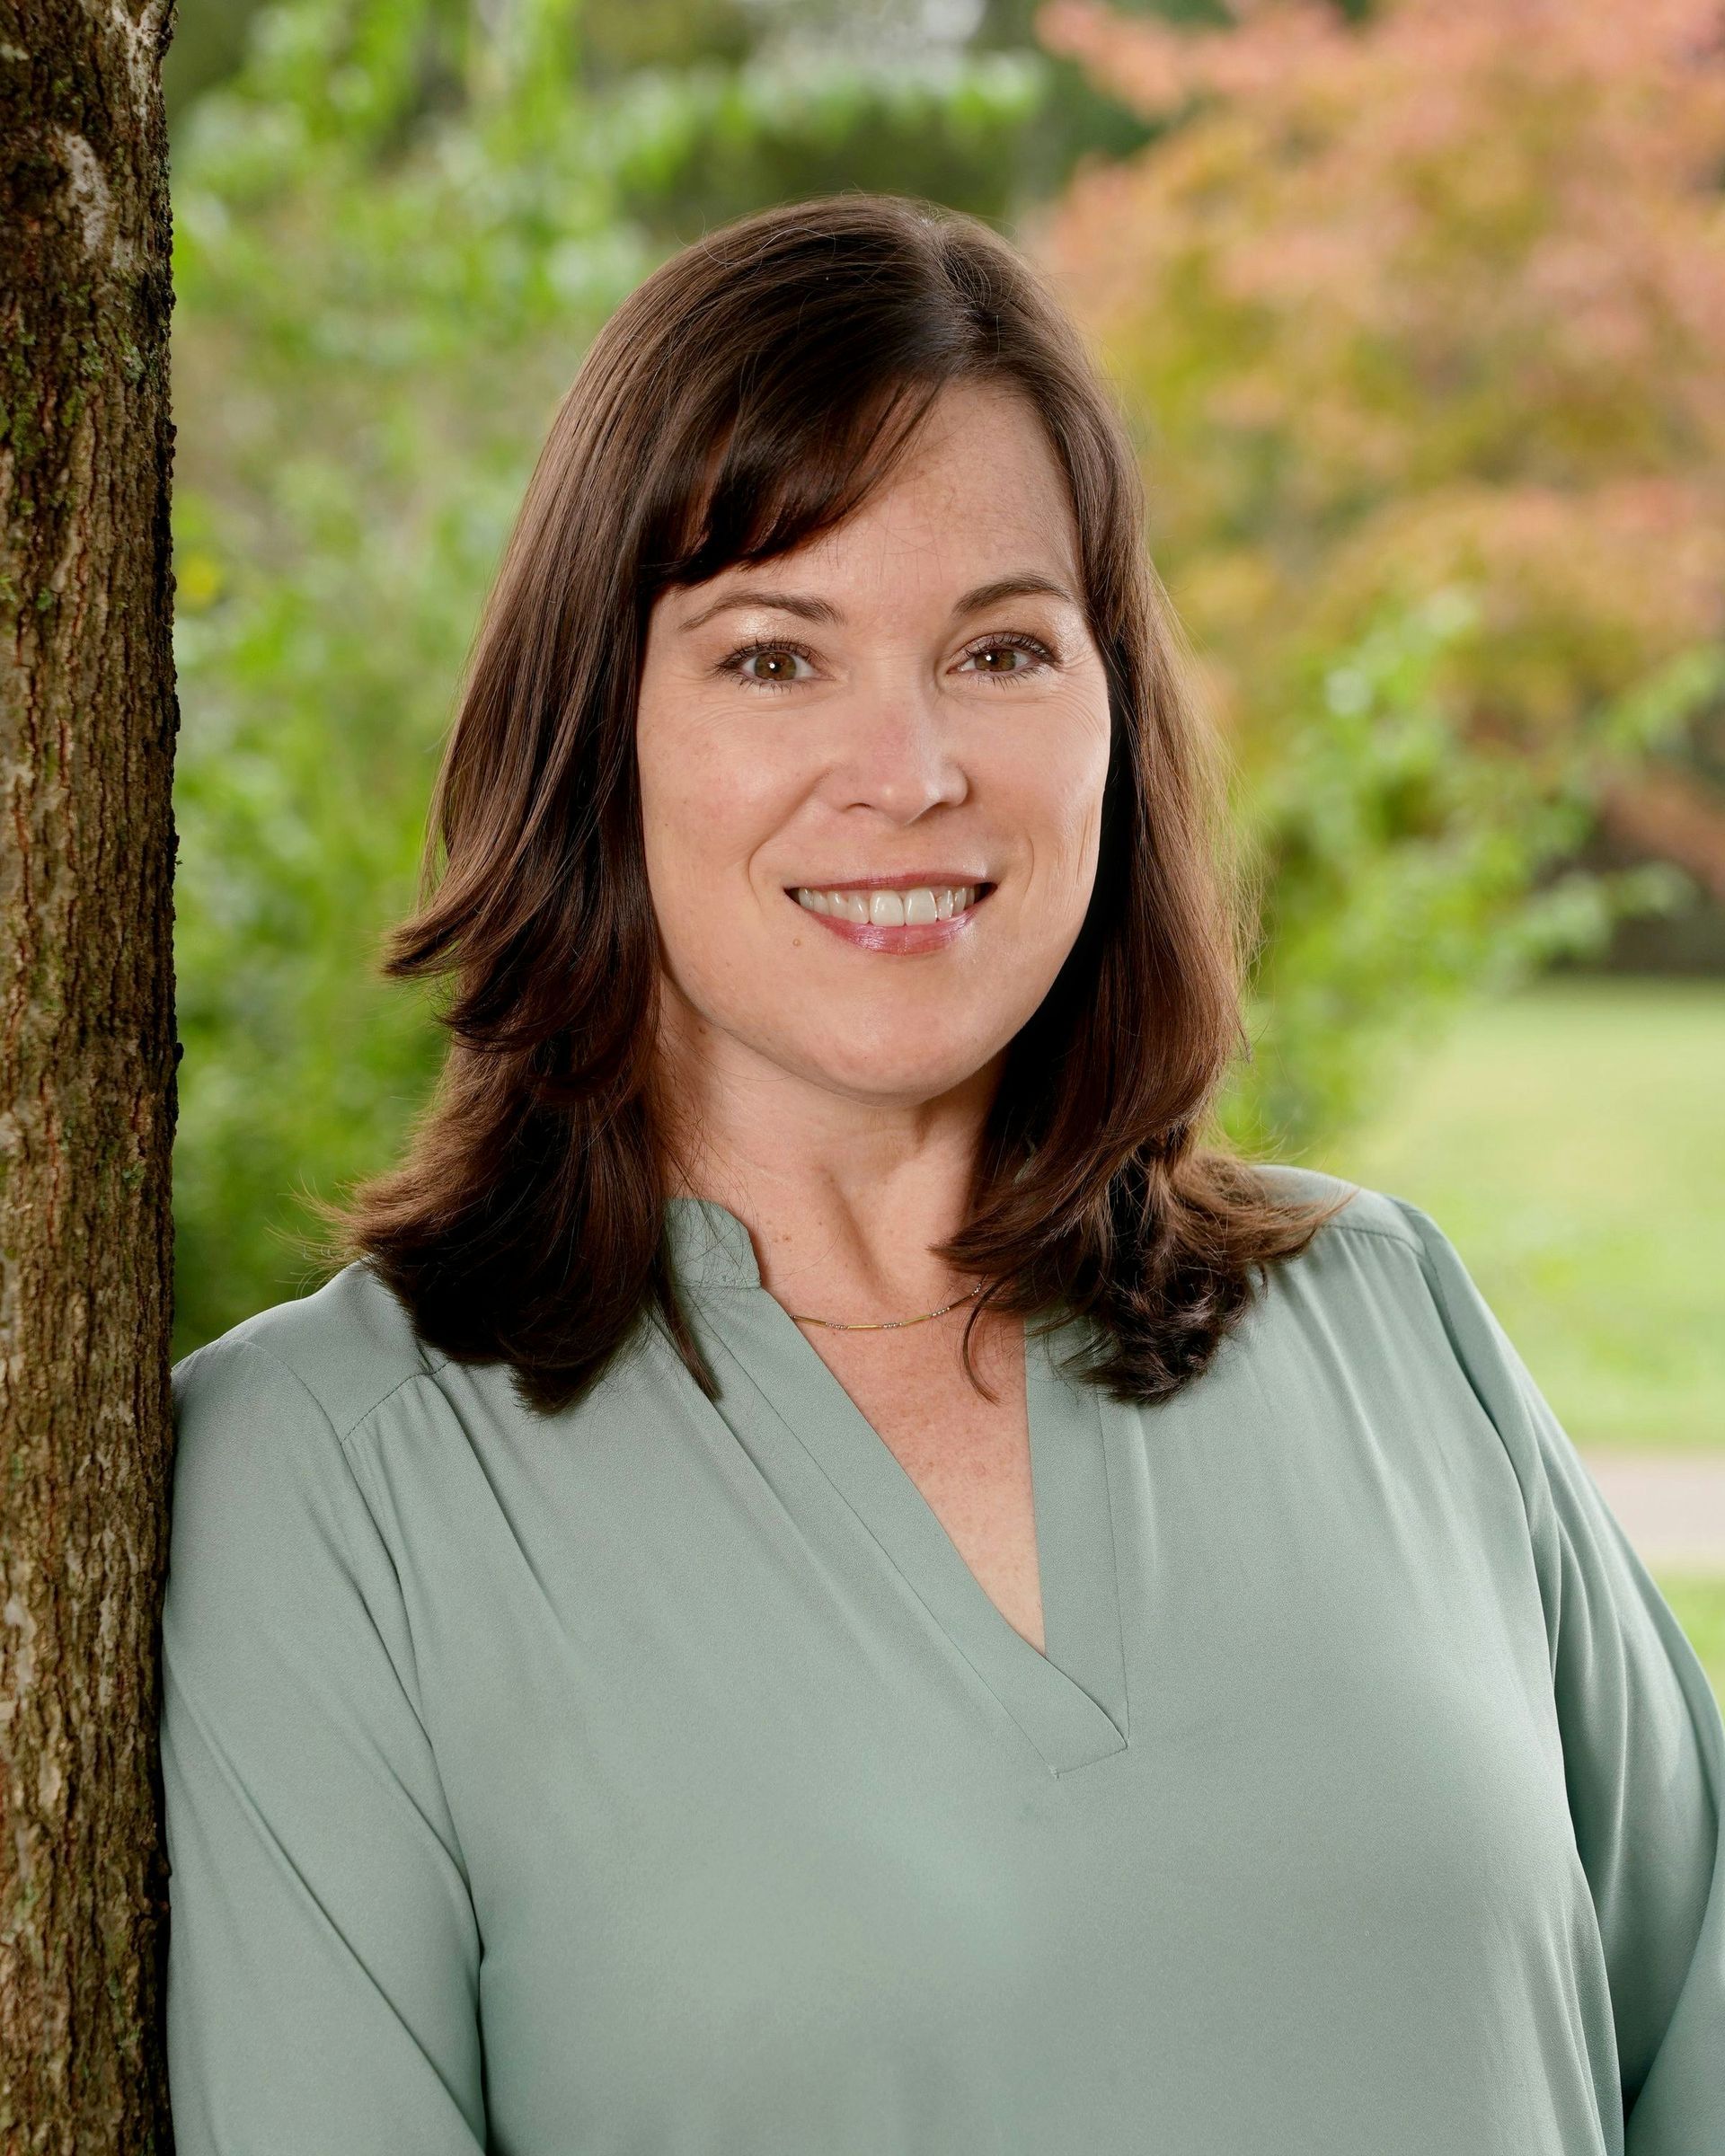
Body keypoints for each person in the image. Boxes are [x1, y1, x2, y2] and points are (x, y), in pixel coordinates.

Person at [159, 192, 1725, 2155]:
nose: (909, 772)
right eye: (772, 659)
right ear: (594, 730)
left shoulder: (1385, 1323)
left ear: (1112, 715)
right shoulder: (332, 1491)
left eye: (999, 649)